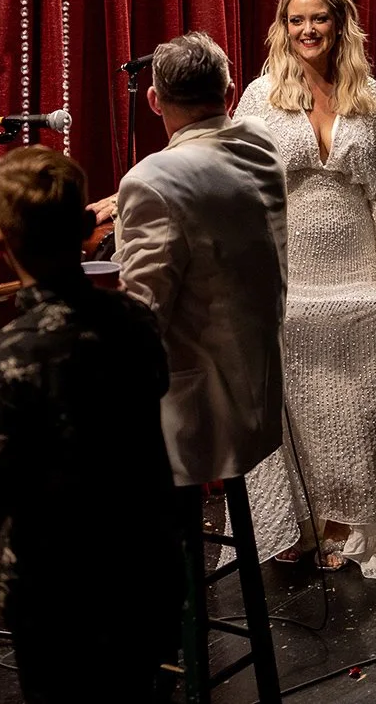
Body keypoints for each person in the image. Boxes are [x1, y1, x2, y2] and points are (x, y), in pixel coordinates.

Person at [0, 146, 179, 703]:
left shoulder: (4, 360)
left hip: (57, 597)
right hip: (147, 572)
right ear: (91, 228)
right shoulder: (138, 322)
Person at [234, 0, 376, 578]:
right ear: (283, 27)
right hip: (288, 275)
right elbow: (239, 182)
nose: (307, 30)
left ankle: (340, 520)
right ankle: (293, 525)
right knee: (294, 406)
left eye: (318, 19)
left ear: (339, 25)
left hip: (355, 275)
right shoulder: (259, 96)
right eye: (296, 20)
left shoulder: (368, 96)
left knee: (356, 406)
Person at [112, 31, 289, 490]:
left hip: (194, 419)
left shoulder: (151, 180)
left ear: (153, 100)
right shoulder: (261, 142)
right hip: (257, 399)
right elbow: (206, 182)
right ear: (230, 92)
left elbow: (139, 321)